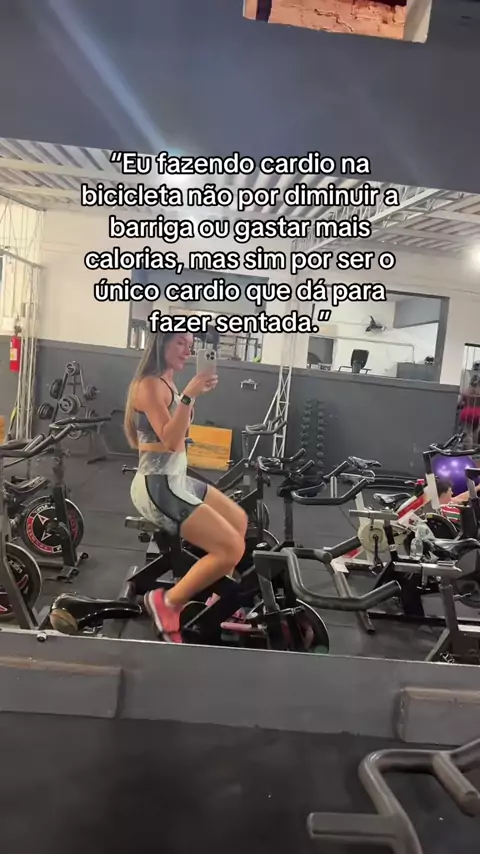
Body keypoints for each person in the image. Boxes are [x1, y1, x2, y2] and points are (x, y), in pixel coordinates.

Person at [124, 331, 248, 643]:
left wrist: (189, 394)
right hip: (157, 487)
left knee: (239, 520)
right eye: (180, 342)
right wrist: (190, 395)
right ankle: (167, 602)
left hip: (175, 478)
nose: (187, 350)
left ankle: (216, 593)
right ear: (161, 343)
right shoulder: (149, 385)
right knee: (232, 548)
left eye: (190, 345)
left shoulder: (168, 382)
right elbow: (170, 440)